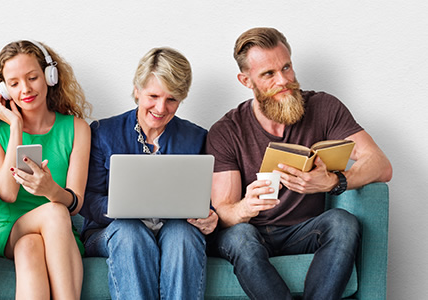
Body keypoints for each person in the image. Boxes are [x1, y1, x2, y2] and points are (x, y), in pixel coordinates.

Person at [207, 27, 393, 299]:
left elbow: (381, 164)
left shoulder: (324, 108)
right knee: (240, 237)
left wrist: (334, 181)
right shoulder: (227, 130)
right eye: (268, 74)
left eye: (286, 67)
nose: (283, 80)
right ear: (246, 80)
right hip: (252, 234)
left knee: (344, 222)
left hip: (304, 230)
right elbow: (223, 214)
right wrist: (245, 207)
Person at [79, 47, 218, 299]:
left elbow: (207, 201)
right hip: (113, 231)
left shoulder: (196, 138)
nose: (161, 108)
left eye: (172, 99)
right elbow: (86, 199)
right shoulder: (103, 132)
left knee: (183, 235)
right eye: (153, 95)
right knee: (130, 232)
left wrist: (211, 217)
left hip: (175, 229)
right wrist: (124, 208)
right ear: (136, 90)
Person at [0, 40, 91, 299]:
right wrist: (15, 126)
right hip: (11, 228)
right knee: (55, 212)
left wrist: (51, 189)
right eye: (14, 84)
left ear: (49, 76)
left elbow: (75, 203)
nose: (25, 89)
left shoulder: (77, 128)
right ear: (3, 89)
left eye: (32, 77)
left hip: (60, 235)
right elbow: (8, 194)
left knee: (31, 246)